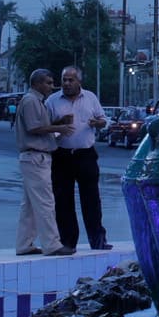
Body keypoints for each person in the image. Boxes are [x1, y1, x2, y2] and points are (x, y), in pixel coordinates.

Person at [48, 66, 111, 252]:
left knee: (91, 199)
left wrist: (98, 123)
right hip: (62, 156)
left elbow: (103, 120)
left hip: (86, 155)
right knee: (63, 200)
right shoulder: (52, 101)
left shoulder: (90, 98)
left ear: (79, 82)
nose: (66, 83)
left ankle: (98, 240)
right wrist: (59, 124)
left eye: (71, 80)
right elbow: (45, 127)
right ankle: (68, 241)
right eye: (64, 80)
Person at [15, 69, 67, 255]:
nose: (51, 86)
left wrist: (58, 124)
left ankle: (24, 244)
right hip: (35, 157)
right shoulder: (30, 101)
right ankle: (52, 244)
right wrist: (59, 127)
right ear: (37, 83)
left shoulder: (37, 101)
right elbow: (34, 127)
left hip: (36, 157)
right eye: (48, 82)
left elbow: (41, 125)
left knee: (29, 205)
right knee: (45, 202)